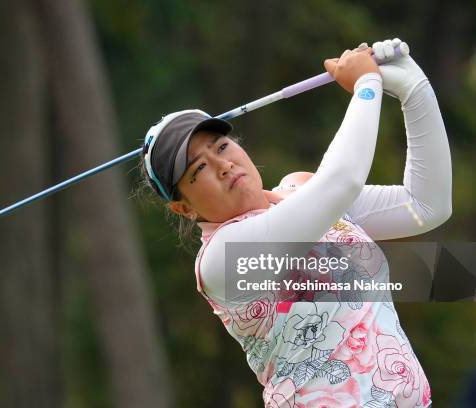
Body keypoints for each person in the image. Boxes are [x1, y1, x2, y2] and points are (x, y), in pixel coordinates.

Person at [140, 38, 451, 407]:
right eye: (199, 169)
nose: (223, 165)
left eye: (221, 147)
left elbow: (425, 206)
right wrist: (366, 87)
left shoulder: (300, 189)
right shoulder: (221, 259)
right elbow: (341, 181)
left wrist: (413, 89)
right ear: (184, 209)